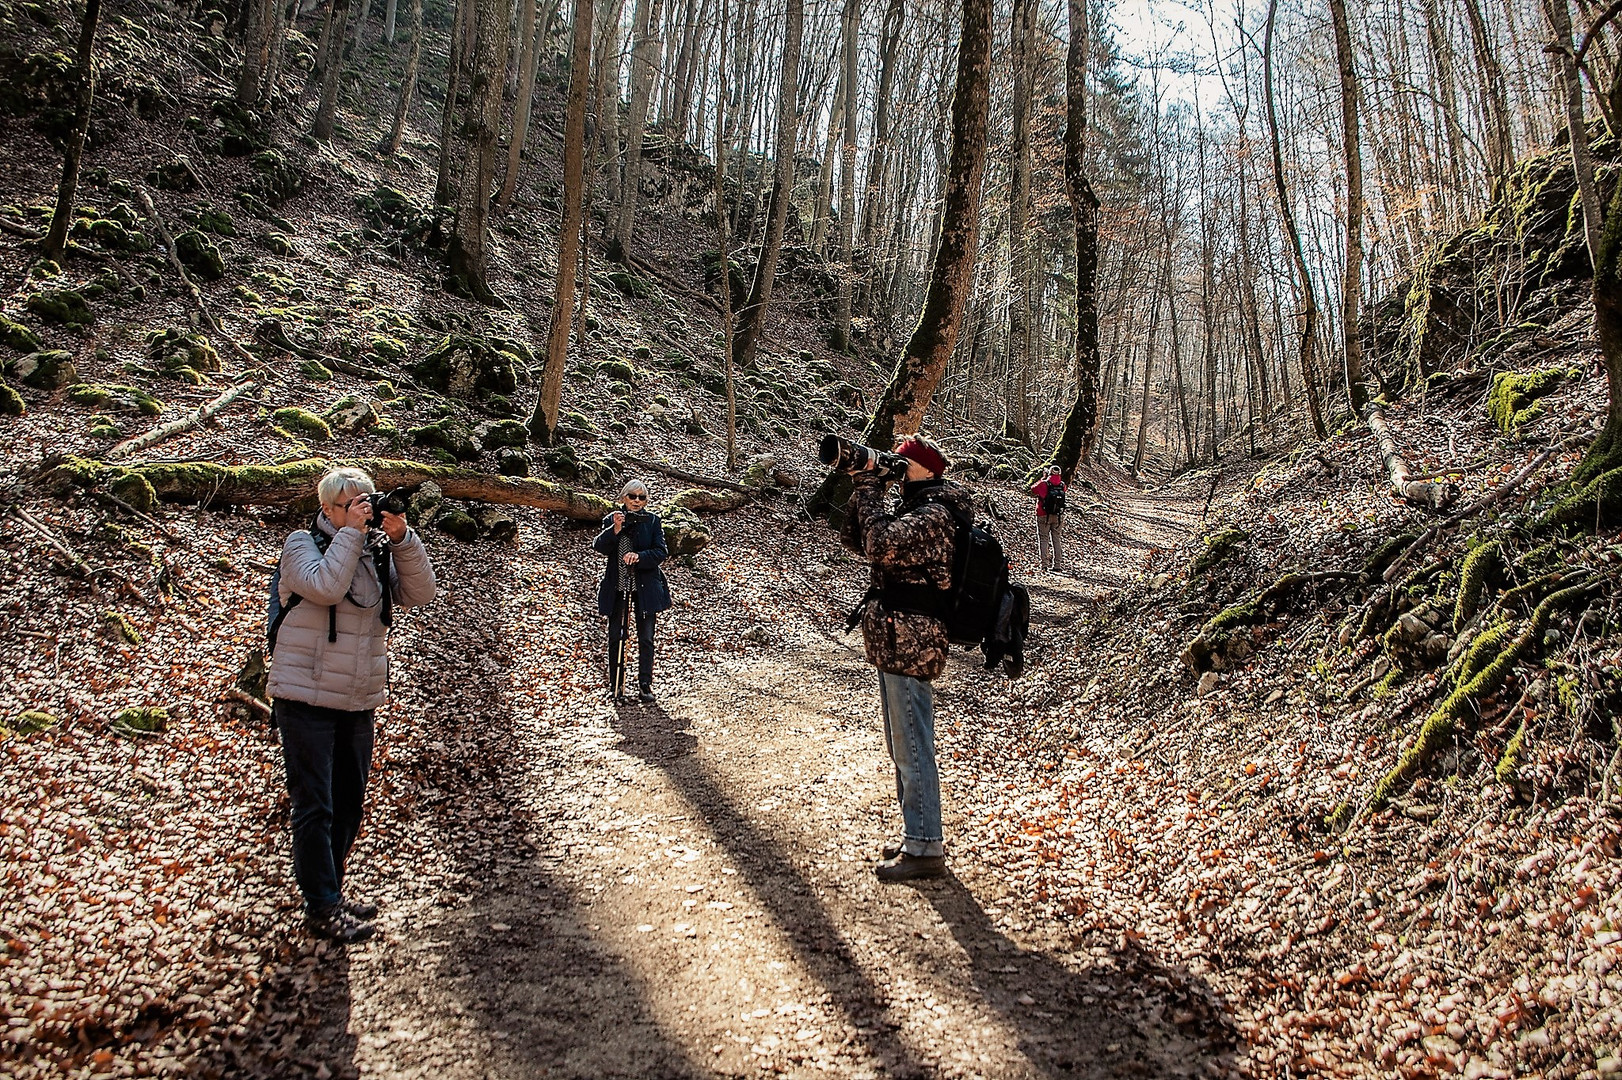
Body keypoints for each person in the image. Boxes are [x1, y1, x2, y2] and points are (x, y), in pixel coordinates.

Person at [268, 466, 437, 943]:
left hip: (357, 696)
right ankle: (320, 906)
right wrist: (351, 535)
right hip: (305, 694)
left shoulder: (372, 550)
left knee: (349, 804)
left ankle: (330, 894)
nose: (364, 511)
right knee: (315, 805)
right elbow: (325, 588)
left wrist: (401, 538)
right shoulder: (302, 544)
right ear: (328, 508)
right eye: (352, 504)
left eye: (368, 502)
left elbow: (421, 594)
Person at [840, 434, 970, 883]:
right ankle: (915, 834)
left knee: (913, 744)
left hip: (913, 639)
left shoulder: (936, 514)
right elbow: (859, 540)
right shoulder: (916, 506)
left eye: (904, 462)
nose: (896, 466)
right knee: (902, 744)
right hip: (896, 638)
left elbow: (881, 546)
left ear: (926, 470)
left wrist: (873, 490)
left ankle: (926, 846)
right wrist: (862, 485)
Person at [593, 479, 671, 704]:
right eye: (632, 496)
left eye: (642, 497)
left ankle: (645, 685)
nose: (637, 501)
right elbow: (599, 547)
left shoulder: (653, 521)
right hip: (617, 587)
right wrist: (615, 530)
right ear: (623, 498)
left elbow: (660, 552)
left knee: (646, 638)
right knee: (616, 636)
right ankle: (616, 686)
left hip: (645, 588)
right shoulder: (612, 519)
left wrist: (640, 557)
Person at [1028, 465, 1067, 573]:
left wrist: (1043, 478)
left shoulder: (1044, 484)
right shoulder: (1062, 485)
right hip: (1058, 516)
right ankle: (1057, 565)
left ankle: (1044, 565)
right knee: (1056, 539)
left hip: (1043, 514)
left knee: (1044, 538)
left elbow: (1033, 489)